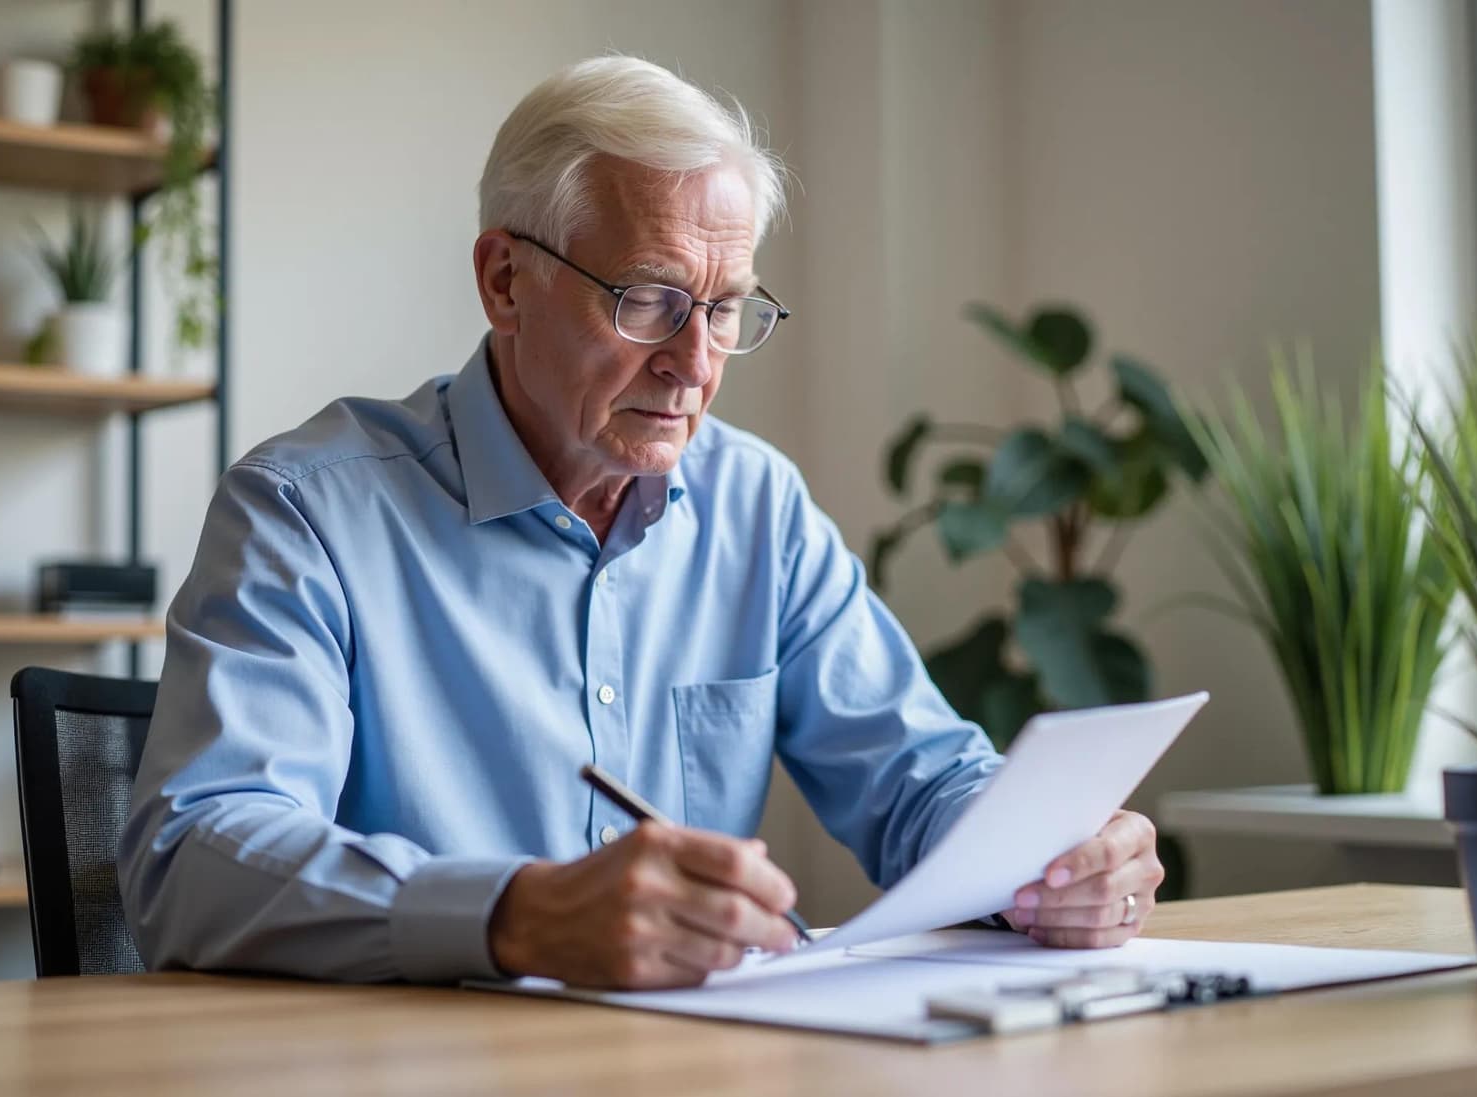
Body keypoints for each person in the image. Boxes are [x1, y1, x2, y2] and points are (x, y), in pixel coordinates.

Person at [119, 55, 1165, 990]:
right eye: (649, 299)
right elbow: (193, 856)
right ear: (504, 281)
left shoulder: (758, 509)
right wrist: (517, 915)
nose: (694, 363)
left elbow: (919, 779)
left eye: (725, 307)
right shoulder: (307, 511)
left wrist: (1054, 857)